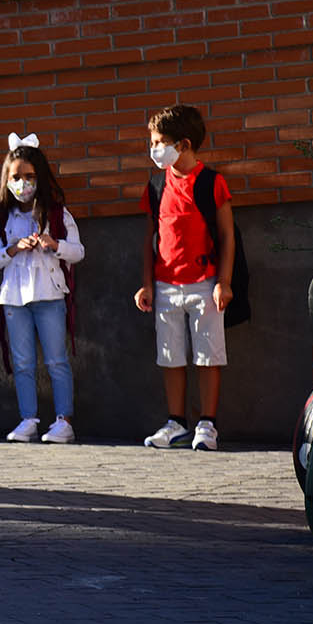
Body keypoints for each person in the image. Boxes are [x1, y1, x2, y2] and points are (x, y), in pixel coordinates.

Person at [134, 103, 236, 452]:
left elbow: (226, 236)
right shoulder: (155, 185)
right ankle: (175, 423)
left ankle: (207, 424)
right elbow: (150, 239)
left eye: (161, 141)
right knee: (170, 355)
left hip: (204, 285)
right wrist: (147, 283)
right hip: (165, 287)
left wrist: (223, 281)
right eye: (152, 142)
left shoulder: (211, 182)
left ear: (185, 145)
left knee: (208, 355)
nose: (154, 149)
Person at [0, 134, 83, 444]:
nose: (23, 183)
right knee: (23, 362)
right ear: (7, 180)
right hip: (14, 300)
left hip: (50, 297)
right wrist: (11, 250)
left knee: (56, 360)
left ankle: (63, 420)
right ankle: (28, 419)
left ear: (40, 177)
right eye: (16, 177)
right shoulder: (5, 219)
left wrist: (55, 245)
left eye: (29, 177)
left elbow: (78, 251)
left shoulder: (57, 214)